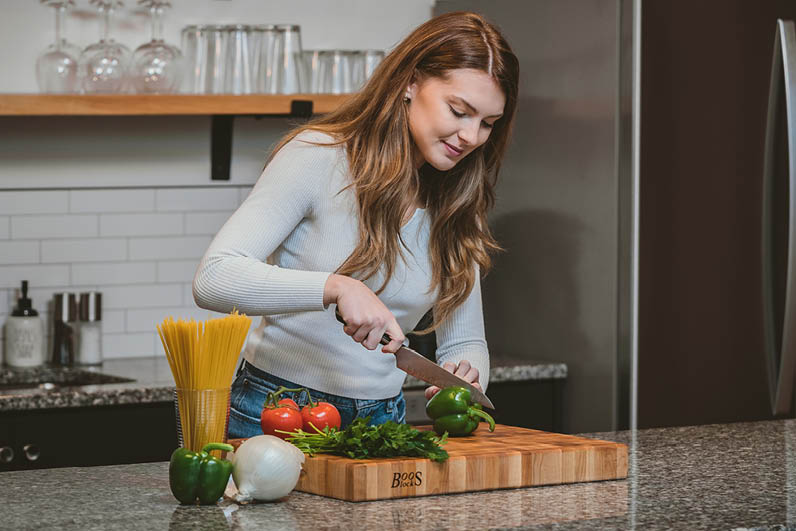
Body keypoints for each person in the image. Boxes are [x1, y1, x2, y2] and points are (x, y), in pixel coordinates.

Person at [193, 11, 519, 438]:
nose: (472, 137)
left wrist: (465, 375)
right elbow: (214, 278)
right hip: (278, 411)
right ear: (410, 82)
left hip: (383, 420)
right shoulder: (318, 157)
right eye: (459, 111)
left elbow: (464, 341)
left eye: (488, 124)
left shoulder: (455, 199)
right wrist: (337, 287)